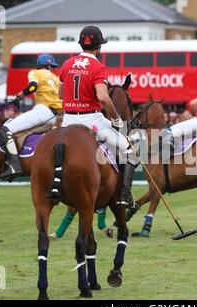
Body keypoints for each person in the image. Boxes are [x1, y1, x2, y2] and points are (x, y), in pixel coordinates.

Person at [58, 25, 137, 208]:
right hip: (92, 122)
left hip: (68, 120)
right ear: (98, 47)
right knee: (129, 150)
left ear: (81, 45)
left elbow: (60, 94)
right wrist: (116, 118)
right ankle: (124, 196)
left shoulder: (67, 64)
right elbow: (102, 97)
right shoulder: (98, 67)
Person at [0, 54, 62, 179]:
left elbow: (32, 87)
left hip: (43, 111)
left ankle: (14, 166)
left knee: (6, 130)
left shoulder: (35, 73)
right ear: (50, 67)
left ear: (40, 66)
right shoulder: (56, 78)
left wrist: (19, 97)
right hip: (59, 116)